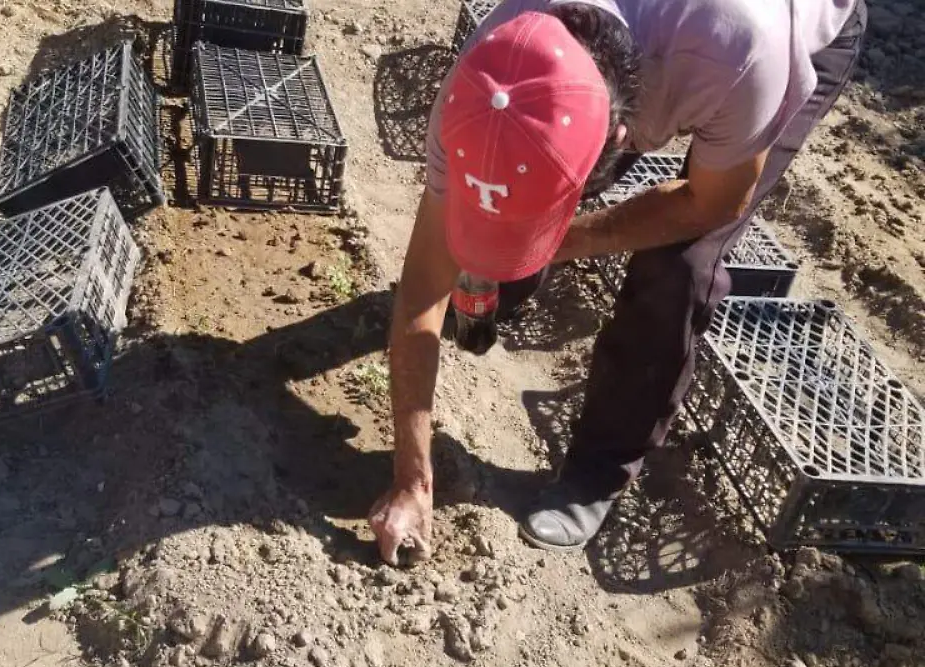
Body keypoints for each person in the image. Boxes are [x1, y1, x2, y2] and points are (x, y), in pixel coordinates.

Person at [368, 0, 867, 565]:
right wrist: (413, 478)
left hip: (795, 23)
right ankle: (505, 279)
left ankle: (597, 473)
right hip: (658, 54)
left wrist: (565, 238)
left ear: (626, 136)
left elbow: (712, 202)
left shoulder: (745, 57)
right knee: (504, 222)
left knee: (675, 268)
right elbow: (422, 281)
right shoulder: (482, 84)